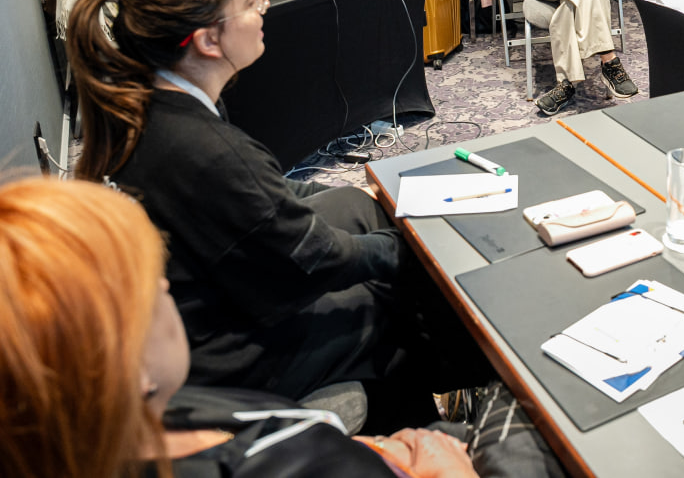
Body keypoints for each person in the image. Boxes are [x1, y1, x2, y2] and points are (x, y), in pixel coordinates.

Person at [66, 0, 481, 407]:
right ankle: (445, 406)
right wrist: (417, 249)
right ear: (208, 40)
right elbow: (314, 259)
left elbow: (261, 195)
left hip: (202, 301)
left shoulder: (145, 104)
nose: (263, 6)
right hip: (223, 354)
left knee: (353, 204)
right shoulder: (207, 149)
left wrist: (372, 206)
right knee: (392, 299)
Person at [0, 177, 561, 478]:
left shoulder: (156, 415)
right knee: (535, 386)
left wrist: (377, 447)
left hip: (388, 449)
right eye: (153, 283)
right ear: (124, 356)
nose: (169, 287)